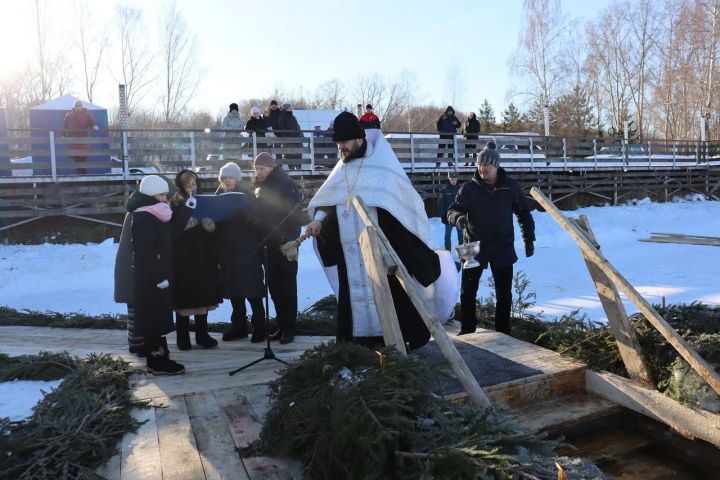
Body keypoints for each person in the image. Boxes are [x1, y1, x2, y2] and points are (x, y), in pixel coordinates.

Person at [305, 112, 457, 351]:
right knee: (353, 311)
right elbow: (329, 202)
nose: (340, 147)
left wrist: (414, 252)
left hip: (382, 257)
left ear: (358, 138)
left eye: (344, 141)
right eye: (337, 142)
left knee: (393, 303)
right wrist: (320, 221)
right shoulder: (340, 169)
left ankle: (394, 344)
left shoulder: (381, 165)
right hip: (350, 257)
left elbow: (400, 209)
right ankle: (357, 348)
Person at [447, 141, 535, 335]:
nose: (482, 168)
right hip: (472, 244)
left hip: (502, 245)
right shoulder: (468, 188)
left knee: (504, 293)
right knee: (467, 291)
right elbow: (451, 211)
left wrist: (529, 239)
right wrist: (460, 218)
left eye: (486, 165)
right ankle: (468, 329)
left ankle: (503, 332)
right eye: (480, 165)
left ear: (496, 166)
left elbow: (524, 213)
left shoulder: (510, 186)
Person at [130, 175, 187, 375]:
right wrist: (158, 277)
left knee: (157, 317)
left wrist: (187, 209)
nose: (165, 198)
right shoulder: (144, 216)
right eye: (162, 194)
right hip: (151, 279)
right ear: (152, 195)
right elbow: (145, 251)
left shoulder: (156, 213)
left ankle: (158, 354)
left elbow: (171, 234)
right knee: (154, 318)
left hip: (157, 276)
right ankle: (158, 361)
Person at [253, 152, 304, 344]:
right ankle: (281, 326)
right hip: (267, 245)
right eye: (256, 169)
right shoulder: (258, 185)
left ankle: (290, 328)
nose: (258, 172)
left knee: (287, 288)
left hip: (285, 245)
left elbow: (295, 215)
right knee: (274, 288)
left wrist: (289, 239)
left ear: (271, 167)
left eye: (262, 169)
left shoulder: (287, 184)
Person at [171, 170, 223, 350]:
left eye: (194, 184)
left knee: (204, 295)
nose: (192, 188)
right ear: (181, 187)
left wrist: (212, 227)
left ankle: (202, 335)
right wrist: (184, 224)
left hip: (204, 257)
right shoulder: (175, 203)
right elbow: (171, 231)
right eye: (188, 185)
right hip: (184, 259)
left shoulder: (205, 202)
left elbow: (215, 229)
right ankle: (182, 337)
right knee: (185, 298)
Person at [215, 162, 267, 343]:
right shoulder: (218, 196)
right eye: (224, 178)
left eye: (230, 177)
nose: (227, 181)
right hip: (227, 251)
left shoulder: (249, 195)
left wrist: (246, 216)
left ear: (237, 178)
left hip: (248, 249)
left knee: (253, 292)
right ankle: (239, 328)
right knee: (234, 292)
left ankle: (260, 328)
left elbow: (259, 222)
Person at [62, 99, 98, 174]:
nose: (78, 107)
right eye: (77, 106)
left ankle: (82, 173)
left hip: (83, 141)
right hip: (73, 141)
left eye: (79, 106)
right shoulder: (69, 114)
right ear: (74, 107)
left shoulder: (87, 114)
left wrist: (94, 126)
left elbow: (92, 121)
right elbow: (64, 125)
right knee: (76, 156)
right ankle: (80, 172)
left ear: (82, 107)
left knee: (82, 157)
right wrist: (63, 134)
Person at [437, 171, 463, 251]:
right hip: (448, 217)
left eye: (455, 179)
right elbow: (441, 205)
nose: (454, 181)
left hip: (459, 216)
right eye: (452, 179)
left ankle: (462, 254)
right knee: (447, 236)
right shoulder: (444, 190)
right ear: (449, 179)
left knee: (461, 236)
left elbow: (464, 203)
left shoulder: (461, 189)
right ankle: (448, 253)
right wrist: (443, 216)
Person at [276, 103, 303, 169]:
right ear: (286, 108)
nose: (291, 109)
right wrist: (290, 135)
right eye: (290, 108)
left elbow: (298, 127)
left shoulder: (293, 117)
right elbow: (281, 128)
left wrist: (301, 135)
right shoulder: (282, 117)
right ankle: (292, 172)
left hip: (297, 141)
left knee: (298, 155)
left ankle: (298, 171)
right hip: (288, 141)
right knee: (290, 156)